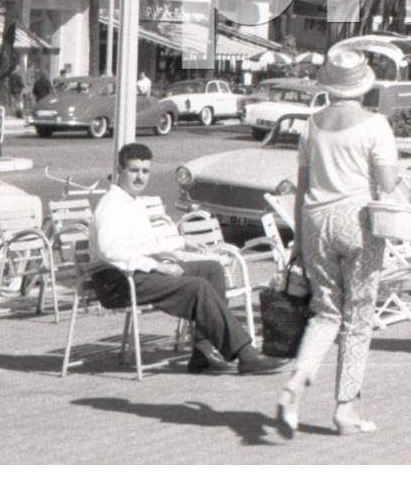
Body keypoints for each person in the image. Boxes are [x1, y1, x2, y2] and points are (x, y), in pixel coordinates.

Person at [277, 48, 400, 439]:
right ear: (363, 85)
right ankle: (345, 410)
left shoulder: (311, 125)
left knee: (325, 311)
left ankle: (298, 379)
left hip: (315, 222)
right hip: (359, 219)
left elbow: (302, 186)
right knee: (358, 317)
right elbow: (388, 183)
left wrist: (298, 238)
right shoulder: (375, 125)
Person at [89, 142, 282, 376]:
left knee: (211, 269)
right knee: (198, 287)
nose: (140, 178)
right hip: (116, 281)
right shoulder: (112, 205)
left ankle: (203, 353)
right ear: (119, 171)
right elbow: (109, 251)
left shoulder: (131, 202)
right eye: (133, 171)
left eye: (145, 171)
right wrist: (158, 266)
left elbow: (146, 245)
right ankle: (247, 355)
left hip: (135, 273)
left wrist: (182, 243)